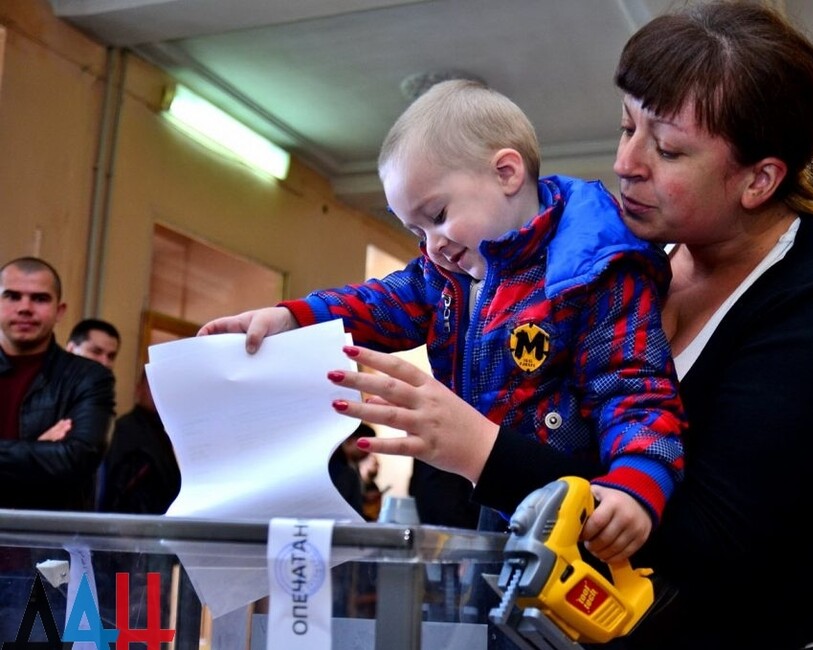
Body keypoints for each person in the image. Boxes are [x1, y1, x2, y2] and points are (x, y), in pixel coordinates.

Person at [318, 4, 813, 648]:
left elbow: (714, 538)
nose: (627, 163)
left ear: (759, 179)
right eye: (628, 127)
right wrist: (296, 320)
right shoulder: (618, 255)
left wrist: (482, 450)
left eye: (669, 149)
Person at [200, 79, 686, 562]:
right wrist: (292, 317)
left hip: (580, 515)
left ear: (507, 173)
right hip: (494, 508)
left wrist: (636, 483)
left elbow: (634, 389)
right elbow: (379, 303)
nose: (432, 243)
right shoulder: (446, 275)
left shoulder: (594, 273)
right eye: (415, 230)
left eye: (438, 214)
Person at [0, 256, 115, 510]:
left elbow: (78, 460)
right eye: (12, 296)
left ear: (59, 311)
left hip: (46, 542)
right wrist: (37, 450)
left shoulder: (89, 377)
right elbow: (56, 463)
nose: (25, 307)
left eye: (40, 298)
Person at [98, 371, 181, 514]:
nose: (157, 394)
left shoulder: (166, 430)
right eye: (152, 387)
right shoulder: (126, 429)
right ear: (138, 389)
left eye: (163, 388)